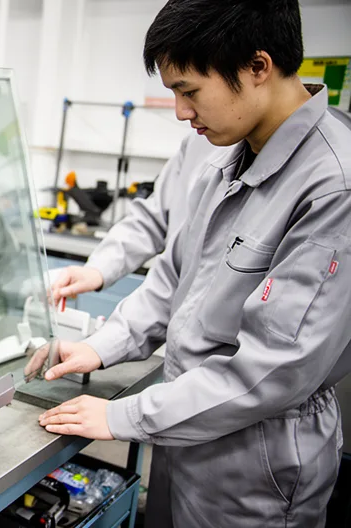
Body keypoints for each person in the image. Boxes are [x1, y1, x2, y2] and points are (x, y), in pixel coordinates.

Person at [34, 1, 351, 526]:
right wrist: (99, 346)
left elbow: (273, 370)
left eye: (189, 91)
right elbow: (173, 281)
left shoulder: (332, 185)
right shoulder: (223, 162)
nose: (182, 113)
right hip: (185, 429)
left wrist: (123, 415)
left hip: (256, 463)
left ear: (257, 67)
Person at [48, 132, 215, 304]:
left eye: (193, 102)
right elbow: (151, 221)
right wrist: (97, 269)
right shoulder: (197, 144)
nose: (181, 113)